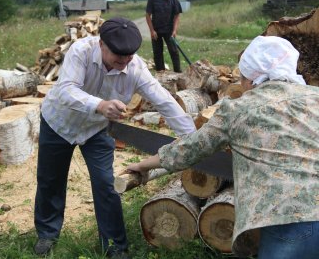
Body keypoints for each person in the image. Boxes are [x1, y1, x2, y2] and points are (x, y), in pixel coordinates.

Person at [124, 36, 319, 259]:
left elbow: (189, 149)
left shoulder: (237, 109)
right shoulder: (316, 96)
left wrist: (143, 165)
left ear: (252, 79)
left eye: (243, 78)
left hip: (291, 218)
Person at [33, 17, 196, 258]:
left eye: (128, 59)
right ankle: (47, 234)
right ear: (101, 45)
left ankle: (114, 246)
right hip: (59, 123)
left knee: (106, 185)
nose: (123, 64)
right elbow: (66, 90)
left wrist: (193, 138)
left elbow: (164, 101)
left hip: (97, 130)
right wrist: (99, 105)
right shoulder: (81, 51)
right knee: (50, 181)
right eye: (118, 59)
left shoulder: (135, 67)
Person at [146, 0, 182, 73]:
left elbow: (177, 15)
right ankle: (160, 72)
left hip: (169, 30)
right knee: (157, 53)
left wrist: (174, 30)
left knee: (174, 51)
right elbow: (148, 15)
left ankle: (178, 72)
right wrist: (152, 31)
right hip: (156, 30)